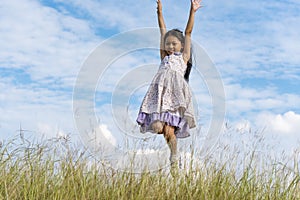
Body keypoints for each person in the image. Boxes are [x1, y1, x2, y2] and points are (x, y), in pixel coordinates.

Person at [136, 0, 202, 167]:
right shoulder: (164, 57)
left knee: (168, 130)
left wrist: (192, 11)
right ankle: (173, 152)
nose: (171, 46)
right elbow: (162, 31)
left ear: (181, 45)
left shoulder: (183, 58)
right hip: (160, 96)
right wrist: (159, 12)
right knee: (159, 127)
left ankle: (174, 157)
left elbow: (188, 32)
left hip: (175, 97)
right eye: (168, 44)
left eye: (174, 44)